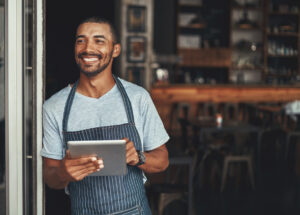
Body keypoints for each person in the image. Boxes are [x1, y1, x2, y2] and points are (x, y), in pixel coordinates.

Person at [41, 17, 169, 215]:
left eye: (99, 40)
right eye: (80, 40)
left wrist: (138, 157)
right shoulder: (54, 107)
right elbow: (50, 176)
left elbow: (162, 161)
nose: (87, 48)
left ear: (115, 50)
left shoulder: (138, 98)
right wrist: (62, 172)